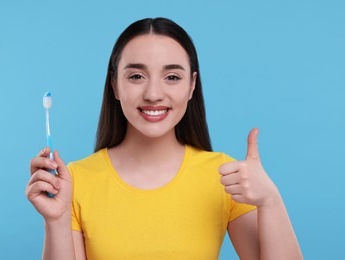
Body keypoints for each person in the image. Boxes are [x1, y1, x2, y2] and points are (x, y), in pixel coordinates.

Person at [26, 17, 303, 259]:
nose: (153, 93)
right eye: (136, 76)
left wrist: (270, 200)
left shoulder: (224, 177)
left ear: (192, 85)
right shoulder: (75, 181)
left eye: (172, 77)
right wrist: (57, 220)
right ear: (114, 85)